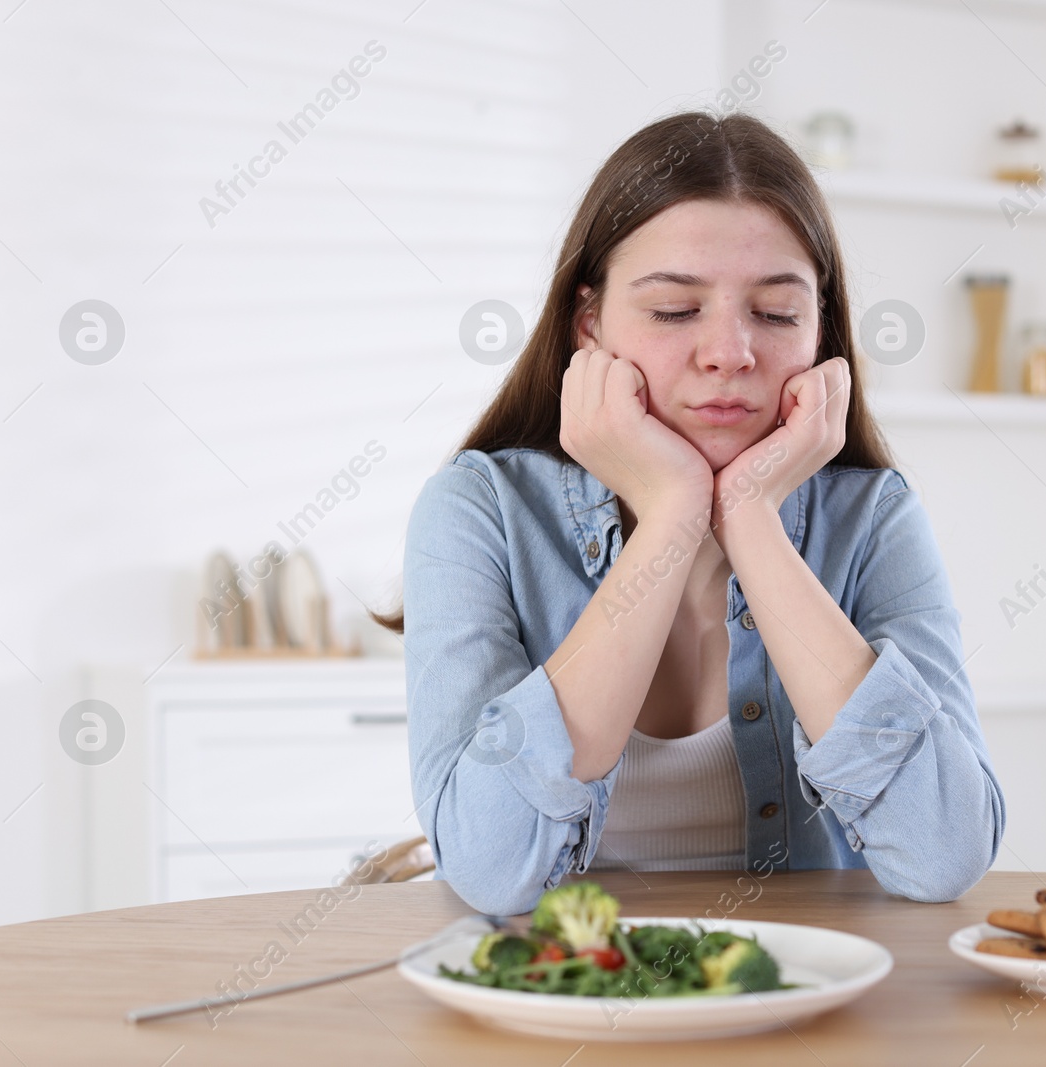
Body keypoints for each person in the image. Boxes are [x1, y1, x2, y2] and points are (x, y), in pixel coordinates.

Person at [372, 110, 1003, 916]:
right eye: (675, 310)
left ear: (820, 333)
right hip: (559, 1007)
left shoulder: (873, 517)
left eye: (777, 313)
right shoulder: (478, 509)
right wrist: (672, 516)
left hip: (795, 999)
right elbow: (493, 870)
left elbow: (943, 852)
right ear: (588, 322)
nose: (731, 352)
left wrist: (751, 520)